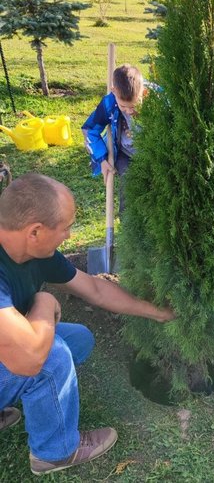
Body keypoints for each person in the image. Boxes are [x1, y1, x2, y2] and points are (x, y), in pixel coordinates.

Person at [0, 173, 174, 475]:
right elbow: (28, 360)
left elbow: (94, 289)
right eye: (65, 228)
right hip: (16, 353)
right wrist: (43, 302)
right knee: (51, 359)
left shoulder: (34, 250)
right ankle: (54, 453)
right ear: (35, 231)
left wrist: (156, 312)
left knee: (77, 339)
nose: (69, 235)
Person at [82, 64, 144, 215]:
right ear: (113, 91)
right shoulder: (109, 103)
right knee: (129, 183)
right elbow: (90, 130)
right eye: (124, 107)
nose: (130, 111)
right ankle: (128, 226)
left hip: (151, 152)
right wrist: (102, 160)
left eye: (135, 106)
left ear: (143, 91)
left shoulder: (158, 98)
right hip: (125, 153)